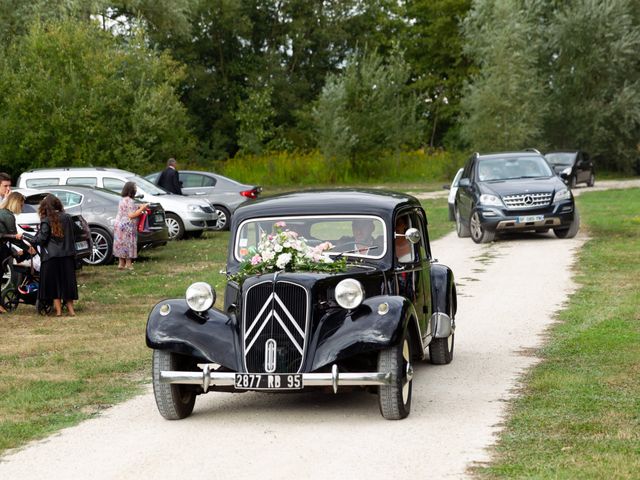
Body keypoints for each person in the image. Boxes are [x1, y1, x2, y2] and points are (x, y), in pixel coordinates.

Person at [30, 194, 78, 317]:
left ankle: (58, 311)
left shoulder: (46, 220)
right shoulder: (67, 218)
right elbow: (74, 235)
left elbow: (42, 238)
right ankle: (71, 310)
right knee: (67, 283)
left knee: (54, 284)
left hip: (51, 257)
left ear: (44, 207)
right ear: (58, 204)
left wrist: (31, 240)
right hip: (67, 256)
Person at [113, 181, 148, 271]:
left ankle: (121, 263)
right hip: (127, 225)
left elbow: (126, 209)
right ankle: (128, 264)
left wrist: (137, 206)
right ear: (132, 190)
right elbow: (131, 215)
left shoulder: (122, 200)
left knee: (120, 243)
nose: (136, 190)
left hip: (118, 224)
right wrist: (142, 208)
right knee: (129, 243)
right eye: (135, 189)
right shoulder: (130, 201)